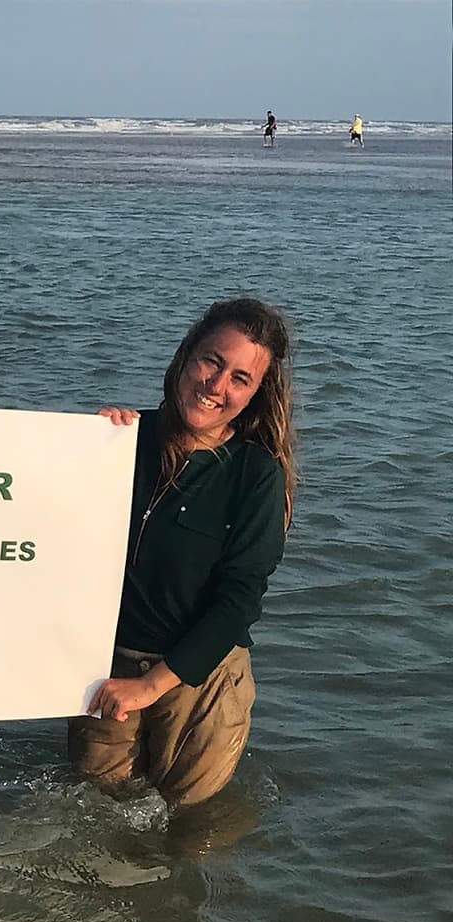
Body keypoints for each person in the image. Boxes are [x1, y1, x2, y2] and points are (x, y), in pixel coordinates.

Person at [68, 298, 296, 809]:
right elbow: (48, 539)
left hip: (203, 679)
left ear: (256, 394)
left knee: (191, 833)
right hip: (107, 670)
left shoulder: (255, 475)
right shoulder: (119, 443)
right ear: (185, 356)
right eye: (212, 362)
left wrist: (152, 685)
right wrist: (84, 445)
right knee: (95, 815)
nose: (217, 386)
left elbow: (239, 601)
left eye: (240, 378)